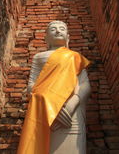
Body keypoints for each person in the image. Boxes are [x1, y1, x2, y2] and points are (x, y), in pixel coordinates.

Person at [17, 21, 91, 154]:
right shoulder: (39, 57)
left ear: (68, 37)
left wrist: (71, 105)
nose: (58, 31)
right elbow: (31, 86)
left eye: (62, 29)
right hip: (44, 111)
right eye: (53, 29)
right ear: (45, 38)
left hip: (70, 112)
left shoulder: (75, 57)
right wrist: (48, 102)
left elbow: (85, 85)